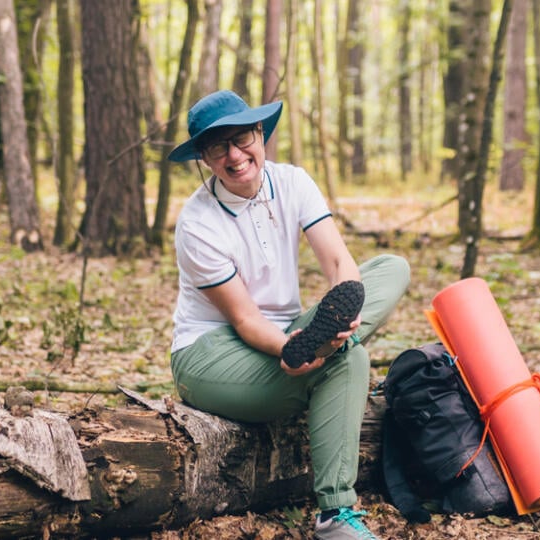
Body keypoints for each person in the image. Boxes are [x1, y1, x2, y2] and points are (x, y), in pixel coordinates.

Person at [167, 89, 410, 540]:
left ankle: (324, 342)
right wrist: (288, 349)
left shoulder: (293, 182)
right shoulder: (198, 223)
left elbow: (339, 262)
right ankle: (335, 515)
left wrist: (346, 301)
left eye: (242, 139)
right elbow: (243, 320)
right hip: (211, 353)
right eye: (219, 148)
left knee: (392, 267)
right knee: (351, 359)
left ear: (261, 133)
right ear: (204, 157)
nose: (235, 156)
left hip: (287, 330)